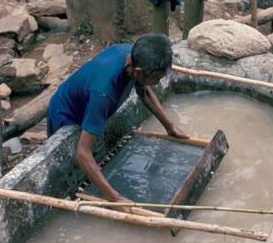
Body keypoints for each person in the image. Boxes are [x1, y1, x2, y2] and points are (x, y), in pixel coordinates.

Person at [47, 33, 189, 211]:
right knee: (71, 172)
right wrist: (115, 199)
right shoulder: (104, 94)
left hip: (88, 99)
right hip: (66, 114)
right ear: (138, 72)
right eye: (157, 79)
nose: (158, 82)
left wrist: (170, 126)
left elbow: (143, 90)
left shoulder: (131, 54)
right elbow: (83, 153)